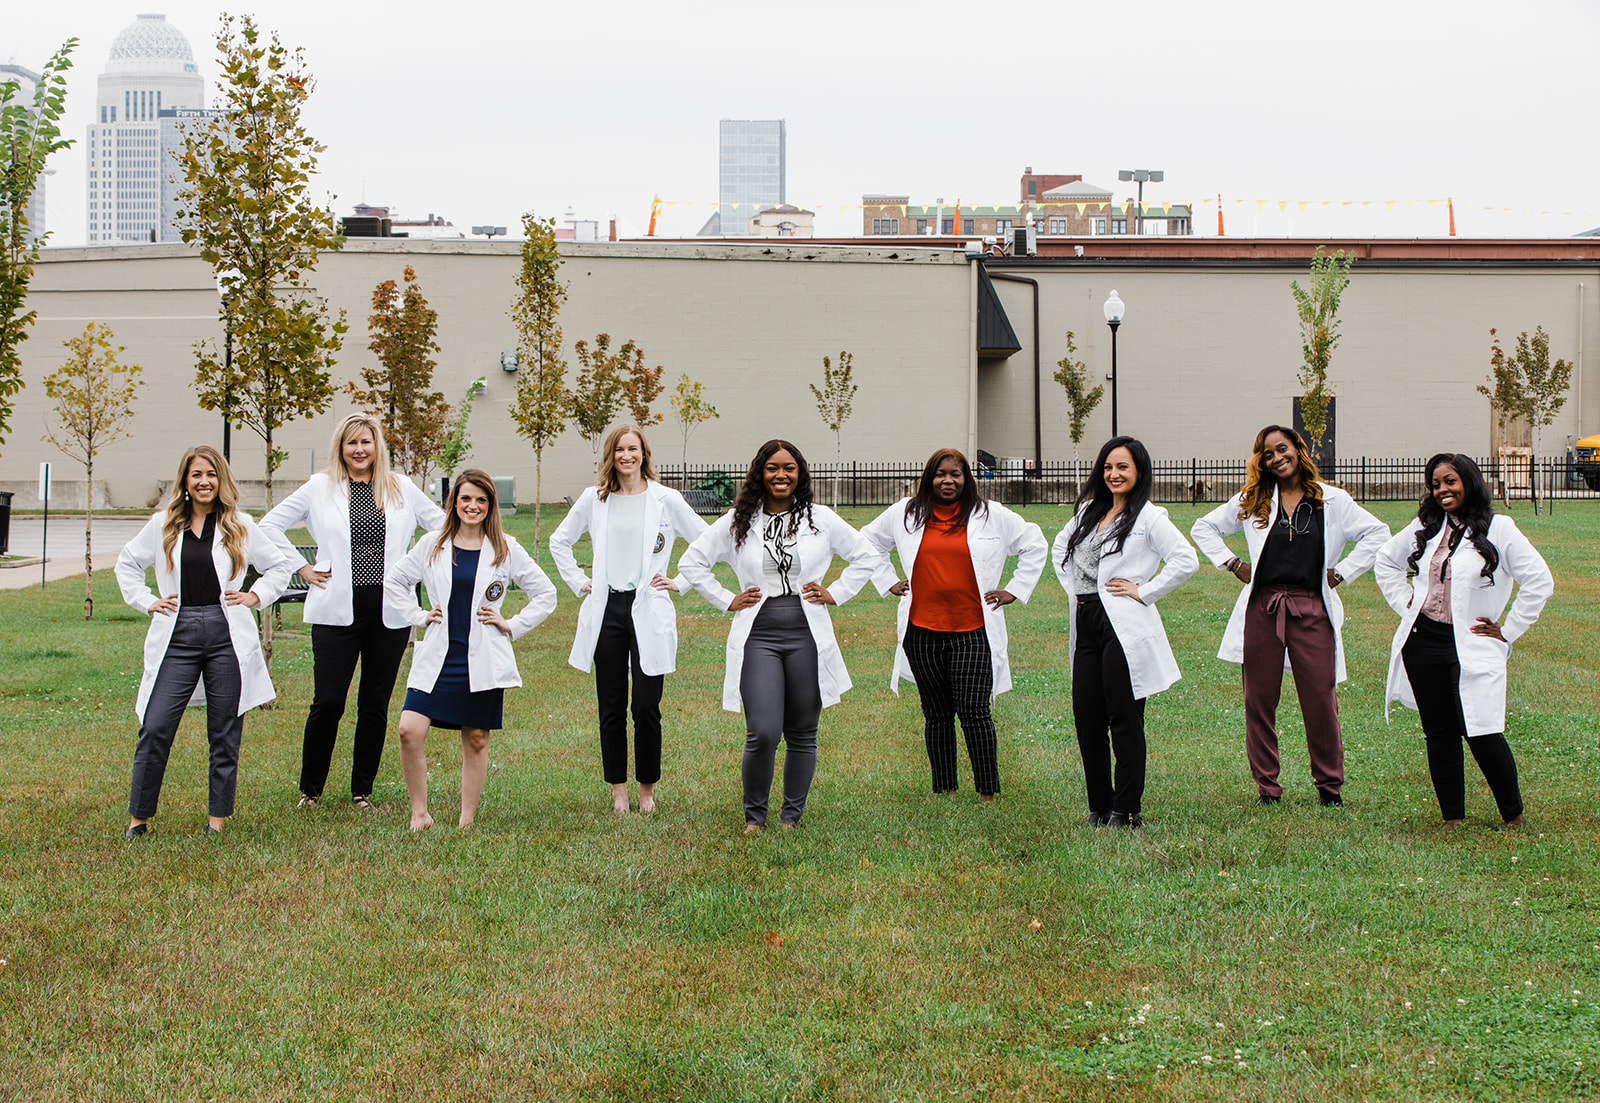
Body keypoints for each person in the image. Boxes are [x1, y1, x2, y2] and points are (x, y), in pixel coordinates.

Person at [678, 439, 885, 833]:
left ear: (800, 473)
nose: (781, 475)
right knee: (763, 730)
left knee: (803, 731)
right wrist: (726, 598)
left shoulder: (820, 518)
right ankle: (755, 818)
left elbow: (867, 555)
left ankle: (791, 817)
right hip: (760, 631)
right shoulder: (739, 519)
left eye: (789, 468)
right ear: (760, 472)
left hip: (807, 629)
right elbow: (692, 562)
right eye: (773, 468)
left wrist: (836, 592)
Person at [1191, 424, 1390, 807]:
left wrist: (1343, 572)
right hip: (1263, 606)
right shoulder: (1254, 500)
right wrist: (1232, 563)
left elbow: (1377, 533)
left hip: (1312, 606)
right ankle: (1268, 788)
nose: (1277, 458)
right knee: (1259, 700)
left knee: (1320, 698)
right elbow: (1204, 527)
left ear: (1298, 449)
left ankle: (1329, 788)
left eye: (1283, 449)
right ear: (1261, 462)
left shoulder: (1332, 500)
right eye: (1268, 454)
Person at [259, 413, 446, 810]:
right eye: (351, 443)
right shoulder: (319, 487)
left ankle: (362, 791)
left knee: (374, 704)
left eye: (366, 442)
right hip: (335, 612)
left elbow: (442, 529)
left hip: (389, 613)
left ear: (377, 446)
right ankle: (310, 790)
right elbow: (270, 525)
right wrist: (302, 568)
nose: (359, 450)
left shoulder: (401, 488)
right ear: (340, 448)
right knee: (328, 701)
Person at [115, 445, 294, 838]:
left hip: (225, 634)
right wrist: (147, 601)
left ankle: (216, 821)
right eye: (196, 474)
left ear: (221, 480)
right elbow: (127, 563)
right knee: (156, 725)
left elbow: (280, 565)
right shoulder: (164, 523)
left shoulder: (240, 525)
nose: (204, 482)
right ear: (185, 481)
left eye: (211, 474)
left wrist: (255, 596)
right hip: (176, 634)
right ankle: (138, 820)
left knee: (224, 731)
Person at [1373, 453, 1552, 827]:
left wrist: (1508, 629)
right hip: (1423, 641)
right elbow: (1386, 562)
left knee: (1483, 729)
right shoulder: (1427, 524)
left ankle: (1512, 816)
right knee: (1439, 732)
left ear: (1468, 481)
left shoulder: (1499, 528)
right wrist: (1409, 602)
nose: (1442, 490)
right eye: (1436, 484)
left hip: (1471, 640)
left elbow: (1539, 580)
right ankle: (1452, 818)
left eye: (1450, 481)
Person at [860, 447, 1046, 800]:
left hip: (973, 630)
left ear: (967, 479)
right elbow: (868, 541)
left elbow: (1034, 543)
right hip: (922, 631)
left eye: (956, 474)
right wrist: (887, 580)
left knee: (975, 711)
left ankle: (988, 792)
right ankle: (944, 789)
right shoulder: (905, 513)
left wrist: (1015, 590)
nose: (948, 480)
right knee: (936, 713)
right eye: (940, 474)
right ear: (929, 478)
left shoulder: (991, 515)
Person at [548, 424, 710, 814]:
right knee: (612, 705)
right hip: (608, 610)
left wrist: (683, 580)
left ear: (644, 454)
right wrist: (580, 582)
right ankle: (619, 792)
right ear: (611, 455)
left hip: (649, 607)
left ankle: (646, 792)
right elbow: (559, 541)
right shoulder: (594, 499)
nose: (626, 456)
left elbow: (708, 540)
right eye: (619, 449)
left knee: (646, 706)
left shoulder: (666, 500)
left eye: (632, 449)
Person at [385, 469, 557, 831]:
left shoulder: (505, 548)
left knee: (476, 739)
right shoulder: (433, 543)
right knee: (408, 730)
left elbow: (546, 593)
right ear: (454, 503)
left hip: (481, 658)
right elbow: (396, 580)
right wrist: (418, 615)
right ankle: (420, 814)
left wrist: (512, 623)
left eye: (481, 499)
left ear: (490, 505)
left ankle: (466, 821)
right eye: (466, 498)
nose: (473, 506)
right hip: (439, 655)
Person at [1051, 437, 1197, 827]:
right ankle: (1099, 806)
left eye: (1123, 468)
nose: (1114, 475)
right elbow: (1059, 549)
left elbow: (1186, 561)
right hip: (1086, 621)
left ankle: (1127, 808)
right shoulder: (1087, 511)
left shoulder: (1149, 518)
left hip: (1122, 624)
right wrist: (1078, 589)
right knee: (1087, 716)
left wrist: (1143, 591)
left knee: (1124, 717)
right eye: (1108, 468)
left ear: (1139, 472)